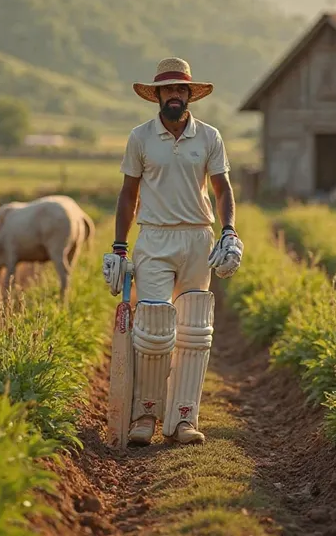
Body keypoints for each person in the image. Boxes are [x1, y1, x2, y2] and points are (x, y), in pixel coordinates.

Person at [103, 57, 243, 446]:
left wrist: (228, 231)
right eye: (169, 90)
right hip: (154, 238)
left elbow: (223, 190)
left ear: (189, 94)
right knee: (153, 326)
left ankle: (183, 419)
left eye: (182, 90)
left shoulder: (210, 137)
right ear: (158, 96)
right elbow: (128, 194)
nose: (176, 96)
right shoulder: (141, 137)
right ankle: (145, 415)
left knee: (195, 331)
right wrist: (119, 245)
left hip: (198, 237)